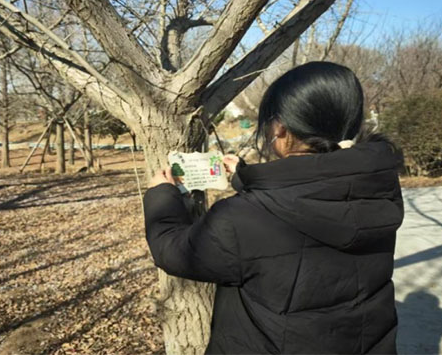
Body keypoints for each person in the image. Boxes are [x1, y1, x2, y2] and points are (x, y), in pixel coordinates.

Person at [143, 62, 404, 354]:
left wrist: (161, 196)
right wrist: (245, 176)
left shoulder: (242, 218)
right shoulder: (375, 189)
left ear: (279, 127)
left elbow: (174, 251)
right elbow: (309, 193)